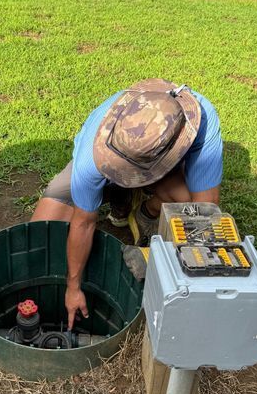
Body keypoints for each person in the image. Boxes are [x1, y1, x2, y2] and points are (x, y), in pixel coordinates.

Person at [31, 78, 223, 329]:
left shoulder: (202, 122)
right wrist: (73, 287)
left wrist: (154, 256)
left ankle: (147, 212)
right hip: (104, 163)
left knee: (185, 206)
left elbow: (204, 214)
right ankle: (120, 196)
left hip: (164, 171)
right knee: (40, 229)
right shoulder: (92, 153)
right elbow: (83, 222)